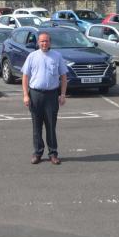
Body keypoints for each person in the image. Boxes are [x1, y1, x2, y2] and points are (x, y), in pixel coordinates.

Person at [21, 32, 68, 165]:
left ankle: (53, 153)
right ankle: (37, 153)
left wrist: (63, 94)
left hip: (51, 95)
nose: (44, 43)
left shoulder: (57, 56)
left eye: (46, 41)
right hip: (35, 95)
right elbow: (25, 77)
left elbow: (63, 77)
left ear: (50, 43)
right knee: (36, 126)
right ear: (38, 43)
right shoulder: (32, 56)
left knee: (51, 126)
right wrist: (25, 95)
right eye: (42, 41)